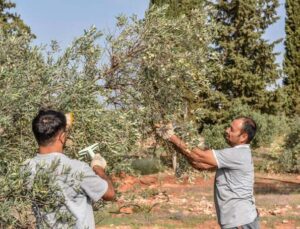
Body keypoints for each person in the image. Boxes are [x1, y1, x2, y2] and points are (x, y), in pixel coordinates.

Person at [156, 117, 259, 229]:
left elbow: (199, 156)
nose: (227, 130)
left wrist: (171, 136)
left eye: (232, 129)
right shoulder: (237, 154)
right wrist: (176, 144)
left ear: (243, 137)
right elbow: (201, 165)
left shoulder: (237, 154)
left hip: (240, 223)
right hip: (239, 221)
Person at [25, 109, 115, 228]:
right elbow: (109, 194)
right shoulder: (78, 168)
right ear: (62, 137)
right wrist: (98, 167)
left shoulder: (27, 168)